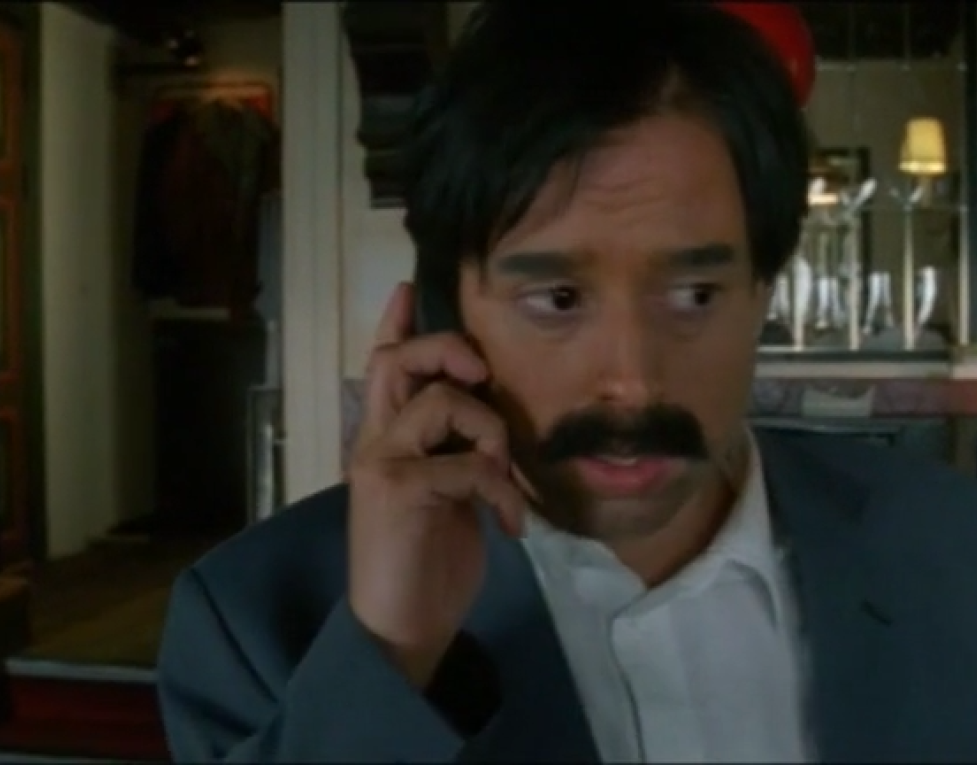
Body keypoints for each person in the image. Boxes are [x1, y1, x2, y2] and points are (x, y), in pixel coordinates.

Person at [156, 2, 977, 762]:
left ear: (763, 288)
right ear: (445, 309)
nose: (632, 384)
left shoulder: (951, 545)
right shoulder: (257, 623)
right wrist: (391, 656)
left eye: (694, 295)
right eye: (557, 299)